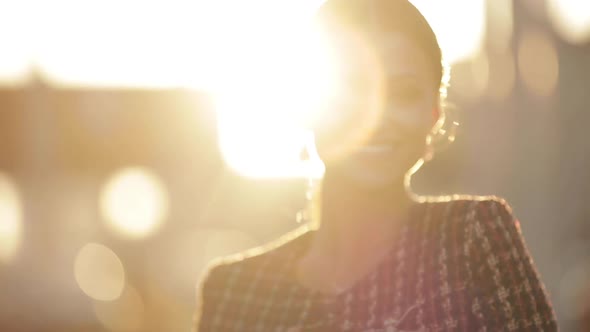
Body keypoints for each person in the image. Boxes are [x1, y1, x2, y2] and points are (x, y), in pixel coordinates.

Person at [194, 0, 558, 330]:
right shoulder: (233, 293)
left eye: (404, 93)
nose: (376, 115)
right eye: (352, 86)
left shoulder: (471, 238)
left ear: (433, 116)